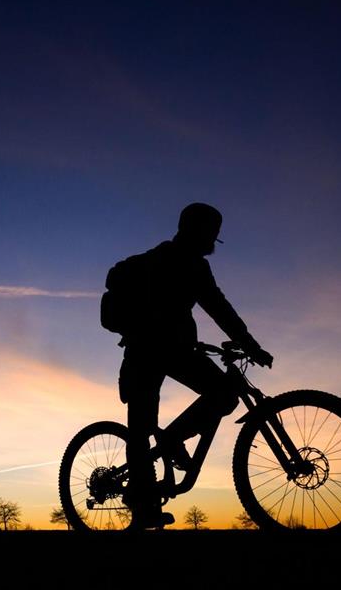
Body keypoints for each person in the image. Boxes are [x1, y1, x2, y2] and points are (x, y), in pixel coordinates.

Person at [113, 202, 273, 528]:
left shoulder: (195, 266)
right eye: (210, 234)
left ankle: (170, 440)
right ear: (194, 230)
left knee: (225, 394)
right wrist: (250, 344)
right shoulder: (165, 261)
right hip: (145, 352)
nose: (213, 241)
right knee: (141, 429)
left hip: (177, 350)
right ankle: (143, 505)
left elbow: (218, 307)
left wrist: (249, 344)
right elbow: (217, 308)